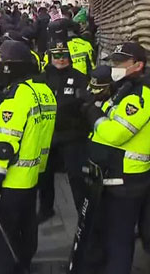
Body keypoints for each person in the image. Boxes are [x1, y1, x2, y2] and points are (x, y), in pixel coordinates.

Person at [0, 41, 56, 274]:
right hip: (30, 179)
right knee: (24, 236)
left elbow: (5, 144)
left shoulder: (15, 97)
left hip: (8, 183)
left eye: (2, 61)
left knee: (2, 247)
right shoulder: (44, 92)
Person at [81, 42, 150, 274]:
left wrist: (94, 115)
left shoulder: (141, 94)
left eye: (122, 62)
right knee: (110, 237)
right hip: (113, 176)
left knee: (119, 241)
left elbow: (116, 134)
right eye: (114, 61)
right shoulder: (124, 88)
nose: (116, 66)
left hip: (128, 180)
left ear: (138, 65)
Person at [37, 39, 89, 222]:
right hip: (48, 135)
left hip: (72, 136)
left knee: (76, 177)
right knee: (44, 175)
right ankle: (46, 209)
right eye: (56, 55)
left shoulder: (79, 77)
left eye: (64, 55)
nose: (60, 59)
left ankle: (83, 213)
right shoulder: (42, 78)